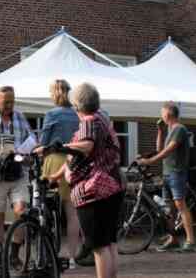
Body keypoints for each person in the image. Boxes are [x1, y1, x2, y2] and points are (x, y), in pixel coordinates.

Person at [64, 83, 124, 278]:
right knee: (110, 243)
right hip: (113, 185)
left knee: (98, 247)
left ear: (77, 106)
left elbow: (87, 145)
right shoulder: (104, 119)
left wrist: (62, 147)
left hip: (93, 190)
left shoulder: (89, 122)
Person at [32, 79, 86, 266]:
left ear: (54, 94)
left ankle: (47, 254)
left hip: (54, 161)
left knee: (45, 209)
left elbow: (44, 142)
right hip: (74, 163)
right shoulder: (77, 115)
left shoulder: (51, 114)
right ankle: (72, 258)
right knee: (72, 213)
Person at [136, 101, 196, 252]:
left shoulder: (179, 129)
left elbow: (168, 150)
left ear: (168, 113)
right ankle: (173, 239)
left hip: (177, 172)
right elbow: (159, 150)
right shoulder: (170, 130)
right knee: (169, 209)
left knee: (180, 205)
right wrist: (160, 131)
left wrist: (149, 161)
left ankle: (191, 241)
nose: (161, 115)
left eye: (162, 112)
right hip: (167, 173)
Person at [0, 86, 34, 245]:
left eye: (12, 102)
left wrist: (24, 152)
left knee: (21, 211)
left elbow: (32, 138)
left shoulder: (19, 116)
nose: (9, 105)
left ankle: (15, 252)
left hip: (17, 170)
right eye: (5, 102)